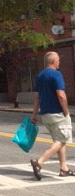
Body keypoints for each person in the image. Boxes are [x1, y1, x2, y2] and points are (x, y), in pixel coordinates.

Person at [30, 51, 74, 179]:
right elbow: (61, 95)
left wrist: (34, 115)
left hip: (45, 115)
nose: (59, 62)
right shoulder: (56, 74)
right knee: (63, 139)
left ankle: (64, 169)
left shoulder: (40, 76)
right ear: (54, 61)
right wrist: (66, 112)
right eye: (58, 60)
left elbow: (37, 97)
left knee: (59, 140)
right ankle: (39, 162)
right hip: (58, 113)